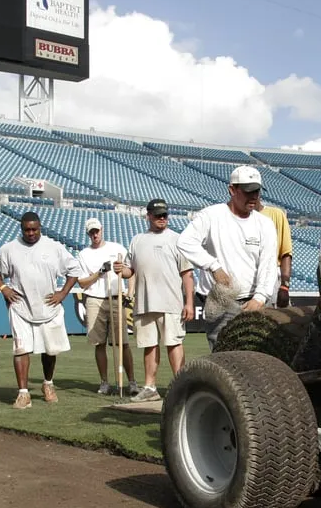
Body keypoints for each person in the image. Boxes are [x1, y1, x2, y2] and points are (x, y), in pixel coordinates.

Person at [0, 212, 81, 409]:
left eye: (34, 229)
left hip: (49, 307)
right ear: (21, 228)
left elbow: (74, 270)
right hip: (21, 307)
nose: (30, 233)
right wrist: (4, 288)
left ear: (40, 227)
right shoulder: (9, 249)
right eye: (26, 229)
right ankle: (23, 394)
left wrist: (63, 293)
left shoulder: (54, 247)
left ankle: (48, 384)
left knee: (50, 349)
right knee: (20, 348)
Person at [178, 166, 278, 350]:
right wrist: (213, 266)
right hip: (222, 302)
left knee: (260, 359)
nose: (254, 196)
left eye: (257, 191)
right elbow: (184, 242)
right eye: (248, 191)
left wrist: (260, 298)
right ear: (232, 190)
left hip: (255, 301)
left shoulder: (265, 224)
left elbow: (269, 264)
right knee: (223, 358)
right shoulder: (211, 215)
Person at [116, 198, 195, 402]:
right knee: (149, 345)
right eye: (158, 215)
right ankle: (150, 387)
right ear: (148, 216)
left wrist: (189, 303)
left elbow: (187, 274)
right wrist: (120, 270)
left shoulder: (177, 239)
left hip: (171, 302)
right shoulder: (137, 240)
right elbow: (129, 271)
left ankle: (181, 386)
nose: (162, 218)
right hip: (144, 303)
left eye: (165, 215)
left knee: (174, 343)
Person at [75, 217, 137, 396]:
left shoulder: (117, 249)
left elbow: (131, 272)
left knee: (122, 343)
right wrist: (100, 272)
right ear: (88, 234)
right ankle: (104, 382)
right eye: (91, 232)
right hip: (94, 298)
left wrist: (130, 292)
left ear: (102, 230)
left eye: (97, 231)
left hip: (116, 296)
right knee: (99, 343)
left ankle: (131, 382)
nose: (95, 234)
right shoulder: (84, 254)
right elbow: (82, 282)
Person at [255, 200, 293, 307]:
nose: (252, 195)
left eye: (256, 191)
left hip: (271, 278)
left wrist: (284, 286)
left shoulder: (276, 214)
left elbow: (286, 253)